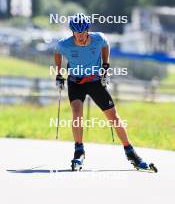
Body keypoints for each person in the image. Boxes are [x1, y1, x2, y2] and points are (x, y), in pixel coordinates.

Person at [54, 13, 149, 171]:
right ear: (72, 32)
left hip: (94, 81)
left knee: (113, 117)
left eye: (83, 33)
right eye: (77, 33)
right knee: (77, 112)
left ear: (87, 30)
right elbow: (57, 52)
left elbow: (106, 45)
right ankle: (79, 150)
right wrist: (58, 73)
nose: (80, 37)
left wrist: (106, 65)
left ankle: (131, 152)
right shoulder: (65, 44)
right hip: (75, 82)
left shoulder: (99, 38)